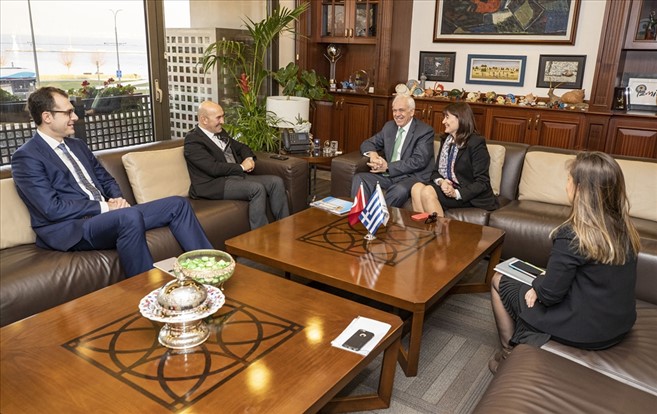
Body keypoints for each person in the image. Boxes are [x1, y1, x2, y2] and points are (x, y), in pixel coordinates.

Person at [11, 87, 212, 278]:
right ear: (47, 117)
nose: (75, 117)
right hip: (72, 228)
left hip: (107, 217)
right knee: (128, 216)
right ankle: (147, 289)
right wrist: (107, 207)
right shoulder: (26, 157)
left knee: (178, 204)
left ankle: (209, 270)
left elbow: (105, 178)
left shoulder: (77, 145)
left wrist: (117, 199)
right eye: (68, 112)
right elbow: (51, 208)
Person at [489, 151, 641, 373]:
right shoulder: (625, 228)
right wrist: (545, 279)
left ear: (580, 189)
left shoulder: (573, 234)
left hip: (584, 331)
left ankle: (508, 354)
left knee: (497, 279)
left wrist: (538, 285)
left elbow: (549, 295)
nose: (566, 185)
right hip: (618, 326)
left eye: (569, 179)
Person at [184, 101, 289, 230]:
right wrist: (242, 167)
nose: (223, 121)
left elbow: (241, 147)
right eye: (218, 118)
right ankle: (261, 235)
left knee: (276, 182)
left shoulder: (220, 133)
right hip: (213, 184)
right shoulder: (193, 140)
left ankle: (285, 228)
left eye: (223, 116)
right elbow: (213, 168)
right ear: (204, 119)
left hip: (234, 177)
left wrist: (249, 159)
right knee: (256, 189)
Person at [410, 102, 497, 217]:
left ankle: (438, 228)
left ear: (460, 118)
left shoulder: (476, 143)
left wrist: (456, 193)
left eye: (447, 117)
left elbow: (482, 182)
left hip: (468, 195)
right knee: (416, 188)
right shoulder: (446, 140)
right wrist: (442, 182)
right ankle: (423, 227)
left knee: (427, 191)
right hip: (449, 188)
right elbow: (436, 172)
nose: (443, 121)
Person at [351, 94, 434, 207]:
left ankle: (379, 216)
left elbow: (419, 161)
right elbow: (368, 143)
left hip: (410, 177)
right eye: (394, 110)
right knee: (360, 178)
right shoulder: (389, 127)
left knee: (399, 190)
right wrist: (373, 155)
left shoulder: (424, 131)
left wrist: (388, 167)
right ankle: (358, 215)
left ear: (412, 112)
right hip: (389, 175)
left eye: (401, 110)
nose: (397, 114)